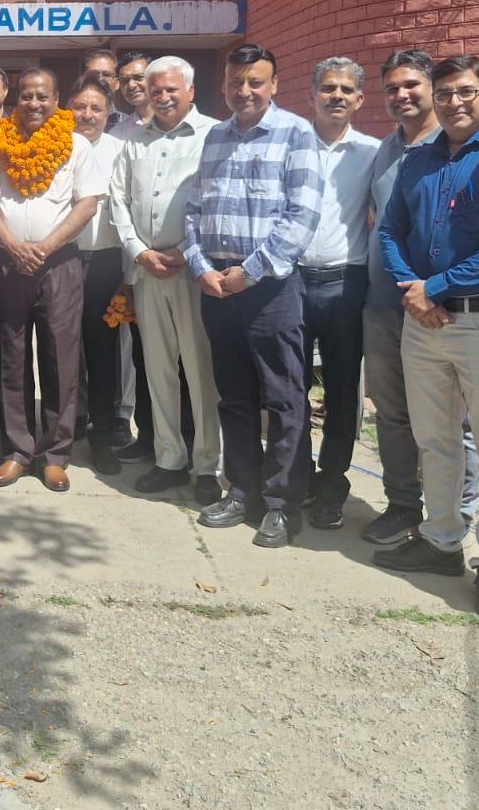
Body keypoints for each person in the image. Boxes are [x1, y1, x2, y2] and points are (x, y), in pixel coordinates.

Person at [375, 55, 479, 618]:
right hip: (422, 322)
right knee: (435, 439)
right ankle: (441, 540)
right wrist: (411, 287)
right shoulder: (417, 161)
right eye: (444, 94)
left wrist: (435, 286)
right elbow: (390, 229)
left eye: (466, 92)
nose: (454, 103)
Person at [185, 44, 322, 548]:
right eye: (236, 83)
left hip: (270, 289)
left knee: (284, 398)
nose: (244, 91)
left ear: (274, 84)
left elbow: (301, 216)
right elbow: (194, 210)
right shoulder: (215, 137)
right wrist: (202, 267)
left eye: (255, 82)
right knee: (235, 396)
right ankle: (242, 491)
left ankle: (284, 504)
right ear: (224, 85)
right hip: (217, 287)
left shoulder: (296, 134)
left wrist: (251, 271)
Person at [360, 51, 479, 547]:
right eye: (391, 88)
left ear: (435, 88)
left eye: (411, 85)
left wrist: (433, 289)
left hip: (439, 307)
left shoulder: (457, 145)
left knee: (454, 417)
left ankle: (460, 509)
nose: (401, 96)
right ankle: (402, 503)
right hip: (383, 306)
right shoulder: (384, 150)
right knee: (391, 412)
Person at [0, 68, 106, 492]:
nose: (34, 104)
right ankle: (16, 451)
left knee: (61, 356)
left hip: (58, 261)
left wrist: (43, 248)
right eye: (26, 96)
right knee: (10, 354)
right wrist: (11, 245)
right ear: (15, 99)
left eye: (42, 97)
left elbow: (87, 206)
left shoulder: (76, 144)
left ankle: (55, 453)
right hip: (8, 262)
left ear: (56, 98)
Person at [109, 56, 221, 500]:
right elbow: (118, 201)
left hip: (194, 275)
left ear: (190, 91)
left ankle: (209, 465)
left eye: (171, 88)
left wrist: (186, 253)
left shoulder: (214, 135)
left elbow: (217, 200)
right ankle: (170, 458)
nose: (162, 96)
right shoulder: (134, 141)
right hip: (149, 272)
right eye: (155, 90)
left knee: (200, 372)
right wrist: (140, 253)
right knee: (157, 372)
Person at [297, 58, 381, 530]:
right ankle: (297, 477)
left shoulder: (373, 152)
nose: (337, 96)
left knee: (344, 391)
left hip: (347, 282)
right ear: (311, 96)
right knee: (291, 390)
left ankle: (331, 487)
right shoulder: (290, 147)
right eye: (327, 87)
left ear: (359, 99)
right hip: (291, 280)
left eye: (347, 89)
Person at [67, 74, 126, 475]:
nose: (87, 114)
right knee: (62, 349)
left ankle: (103, 435)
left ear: (109, 112)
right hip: (64, 259)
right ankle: (66, 425)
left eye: (96, 108)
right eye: (80, 106)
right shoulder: (57, 147)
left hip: (106, 260)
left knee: (103, 351)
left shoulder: (122, 150)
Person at [108, 51, 156, 448]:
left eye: (139, 76)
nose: (133, 84)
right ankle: (124, 416)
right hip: (124, 250)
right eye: (126, 80)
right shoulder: (117, 134)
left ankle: (165, 429)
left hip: (170, 257)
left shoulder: (187, 127)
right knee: (124, 341)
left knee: (161, 349)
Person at [109, 52, 154, 141]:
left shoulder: (178, 123)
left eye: (139, 77)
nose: (131, 85)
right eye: (124, 81)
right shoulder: (117, 134)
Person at [82, 49, 122, 130]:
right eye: (93, 74)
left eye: (107, 75)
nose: (100, 79)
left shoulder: (127, 125)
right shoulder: (68, 122)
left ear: (117, 83)